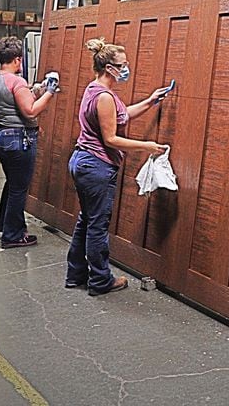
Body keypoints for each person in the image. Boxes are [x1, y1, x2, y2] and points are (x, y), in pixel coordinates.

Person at [66, 38, 169, 296]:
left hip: (83, 161)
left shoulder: (96, 90)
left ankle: (76, 274)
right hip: (96, 167)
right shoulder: (104, 97)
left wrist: (150, 101)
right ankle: (100, 281)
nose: (126, 69)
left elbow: (121, 115)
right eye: (122, 65)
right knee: (97, 225)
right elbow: (111, 138)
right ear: (110, 68)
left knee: (87, 220)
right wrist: (147, 146)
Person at [0, 36, 58, 249]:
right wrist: (51, 92)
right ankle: (13, 236)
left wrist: (34, 91)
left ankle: (6, 226)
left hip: (0, 136)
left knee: (12, 184)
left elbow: (3, 106)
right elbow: (30, 110)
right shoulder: (16, 81)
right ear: (18, 60)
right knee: (19, 189)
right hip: (18, 140)